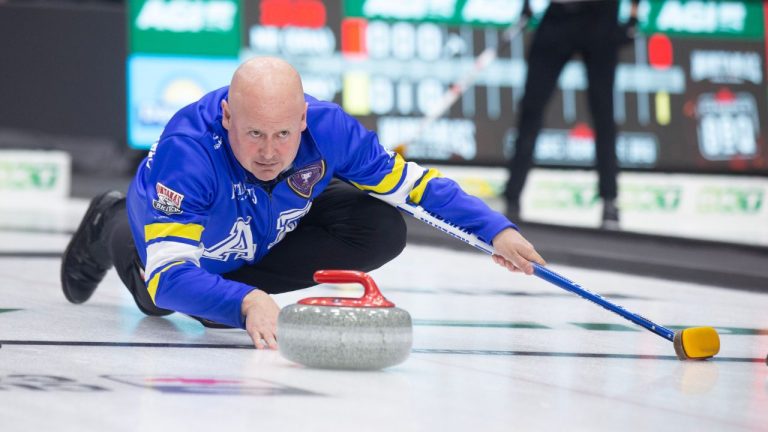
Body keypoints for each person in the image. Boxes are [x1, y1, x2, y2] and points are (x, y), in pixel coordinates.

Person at [60, 57, 546, 350]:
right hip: (197, 224)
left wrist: (494, 231)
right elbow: (170, 281)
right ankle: (111, 220)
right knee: (159, 301)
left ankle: (231, 289)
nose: (270, 152)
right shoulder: (187, 154)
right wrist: (246, 301)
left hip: (276, 213)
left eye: (284, 134)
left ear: (304, 117)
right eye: (253, 133)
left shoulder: (329, 126)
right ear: (227, 117)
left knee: (381, 227)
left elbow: (414, 188)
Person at [504, 0, 639, 229]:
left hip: (601, 17)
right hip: (559, 14)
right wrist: (527, 5)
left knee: (603, 112)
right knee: (531, 108)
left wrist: (633, 18)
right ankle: (511, 198)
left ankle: (609, 201)